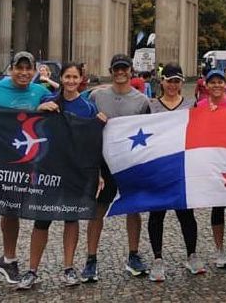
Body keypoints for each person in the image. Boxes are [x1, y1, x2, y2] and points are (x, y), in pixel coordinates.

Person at [0, 52, 50, 298]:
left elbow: (68, 101)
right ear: (11, 68)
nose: (24, 73)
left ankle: (9, 259)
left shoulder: (38, 91)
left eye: (28, 68)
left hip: (20, 164)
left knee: (12, 210)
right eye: (19, 68)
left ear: (35, 69)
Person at [17, 62, 103, 290]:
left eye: (75, 77)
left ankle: (68, 267)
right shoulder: (48, 100)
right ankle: (32, 269)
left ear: (80, 79)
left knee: (71, 218)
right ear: (62, 78)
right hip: (49, 168)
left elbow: (94, 141)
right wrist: (40, 110)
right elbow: (31, 126)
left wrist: (99, 171)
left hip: (75, 170)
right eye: (67, 76)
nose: (71, 81)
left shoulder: (88, 107)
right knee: (41, 219)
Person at [82, 54, 150, 283]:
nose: (120, 72)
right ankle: (91, 259)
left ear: (131, 71)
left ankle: (133, 254)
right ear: (111, 71)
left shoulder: (141, 101)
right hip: (103, 163)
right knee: (97, 211)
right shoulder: (96, 95)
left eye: (125, 68)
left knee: (134, 209)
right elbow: (82, 121)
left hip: (129, 162)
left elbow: (148, 133)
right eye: (117, 69)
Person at [146, 63, 205, 282]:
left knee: (186, 214)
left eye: (177, 81)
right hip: (159, 167)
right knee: (157, 214)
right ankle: (157, 259)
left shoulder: (192, 104)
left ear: (181, 83)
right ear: (162, 82)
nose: (173, 85)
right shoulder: (151, 106)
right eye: (169, 80)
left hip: (182, 167)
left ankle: (191, 254)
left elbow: (202, 129)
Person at [196, 69, 226, 269]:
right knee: (218, 206)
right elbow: (195, 131)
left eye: (219, 81)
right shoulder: (201, 105)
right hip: (215, 161)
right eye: (212, 81)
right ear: (206, 85)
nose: (216, 85)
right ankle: (220, 248)